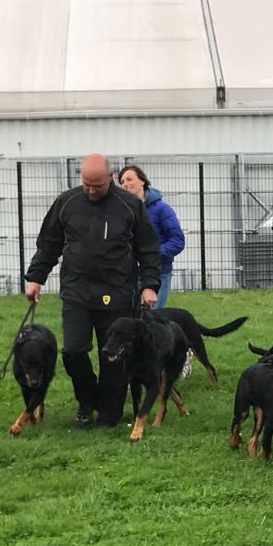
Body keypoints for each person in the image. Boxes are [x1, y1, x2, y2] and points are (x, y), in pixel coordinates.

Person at [24, 153, 161, 428]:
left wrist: (149, 285)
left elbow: (148, 249)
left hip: (118, 291)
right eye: (86, 184)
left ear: (110, 178)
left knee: (113, 355)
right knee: (73, 351)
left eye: (96, 185)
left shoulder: (130, 205)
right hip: (77, 290)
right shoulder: (67, 202)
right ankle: (87, 401)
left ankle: (110, 413)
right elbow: (49, 243)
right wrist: (36, 277)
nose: (90, 190)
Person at [118, 164, 186, 308]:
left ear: (142, 181)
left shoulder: (162, 209)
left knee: (151, 321)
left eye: (129, 179)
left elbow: (177, 241)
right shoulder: (121, 211)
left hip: (158, 273)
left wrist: (152, 256)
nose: (125, 184)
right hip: (129, 276)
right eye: (122, 182)